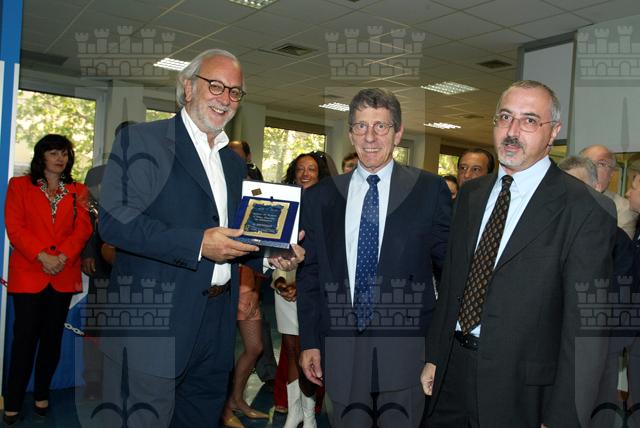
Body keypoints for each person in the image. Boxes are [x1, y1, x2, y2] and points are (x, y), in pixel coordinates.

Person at [98, 49, 303, 428]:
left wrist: (270, 256)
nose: (226, 99)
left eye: (235, 92)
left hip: (216, 322)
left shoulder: (233, 163)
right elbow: (115, 224)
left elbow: (234, 235)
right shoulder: (142, 141)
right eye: (216, 86)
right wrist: (197, 243)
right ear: (188, 87)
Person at [422, 80, 616, 427]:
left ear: (552, 132)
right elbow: (452, 283)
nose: (512, 131)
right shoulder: (471, 195)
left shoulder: (585, 208)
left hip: (522, 391)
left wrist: (562, 416)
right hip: (451, 374)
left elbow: (586, 330)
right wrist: (436, 356)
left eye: (529, 120)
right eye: (505, 117)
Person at [297, 88, 451, 428]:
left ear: (397, 133)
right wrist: (309, 342)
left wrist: (438, 352)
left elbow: (449, 275)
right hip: (341, 350)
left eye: (381, 126)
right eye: (361, 126)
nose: (370, 137)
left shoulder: (428, 191)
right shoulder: (322, 196)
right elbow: (311, 274)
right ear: (350, 133)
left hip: (406, 353)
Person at [3, 134, 92, 425]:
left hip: (63, 275)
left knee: (52, 340)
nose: (59, 158)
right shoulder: (19, 185)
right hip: (29, 273)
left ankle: (42, 393)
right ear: (41, 156)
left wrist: (62, 257)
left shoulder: (78, 190)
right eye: (53, 152)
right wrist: (43, 256)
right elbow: (14, 227)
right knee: (24, 340)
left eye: (64, 153)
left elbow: (83, 229)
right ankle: (13, 399)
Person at [273, 151, 331, 428]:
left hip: (311, 291)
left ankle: (309, 415)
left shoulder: (328, 206)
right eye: (300, 169)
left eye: (311, 169)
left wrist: (300, 284)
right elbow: (274, 246)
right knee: (291, 351)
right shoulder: (285, 204)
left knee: (308, 350)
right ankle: (293, 411)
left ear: (321, 175)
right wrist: (281, 282)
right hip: (284, 285)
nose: (305, 173)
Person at [580, 144, 637, 238]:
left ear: (611, 174)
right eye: (587, 162)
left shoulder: (623, 209)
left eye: (601, 164)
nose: (592, 169)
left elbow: (612, 245)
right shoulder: (561, 198)